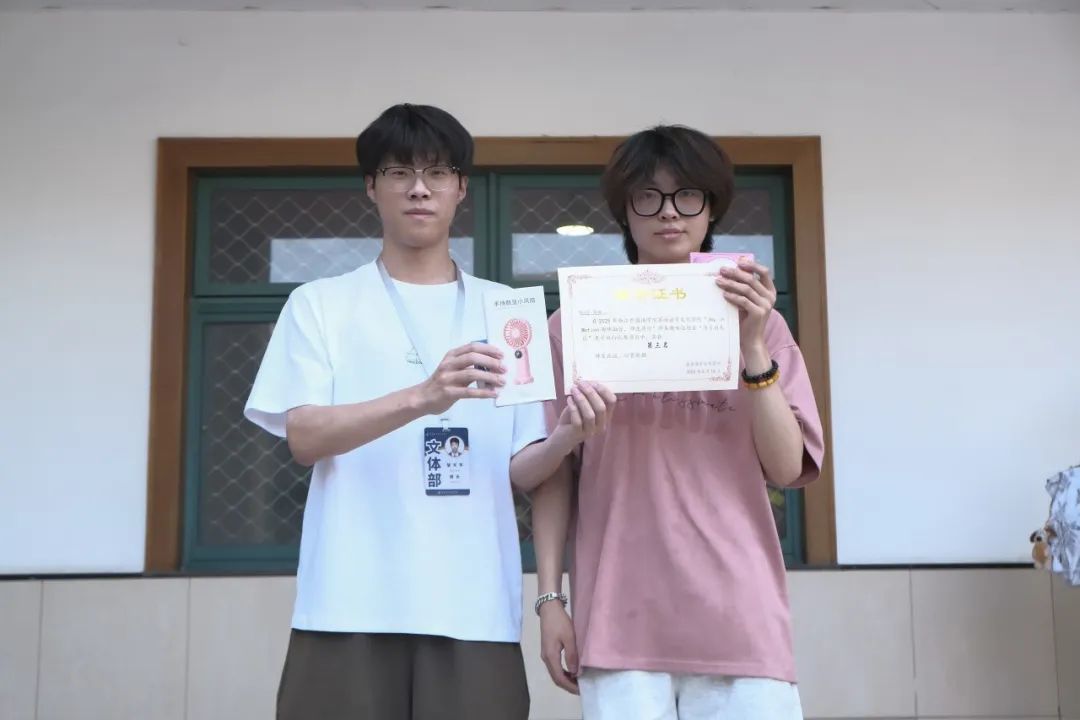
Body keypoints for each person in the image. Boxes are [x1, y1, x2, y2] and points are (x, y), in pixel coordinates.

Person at [244, 103, 612, 720]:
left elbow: (528, 469)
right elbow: (304, 436)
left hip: (473, 604)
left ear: (461, 188)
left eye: (438, 172)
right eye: (399, 172)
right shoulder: (320, 303)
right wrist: (424, 397)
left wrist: (565, 439)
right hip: (347, 602)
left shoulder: (509, 311)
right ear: (371, 186)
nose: (419, 188)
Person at [530, 125, 825, 719]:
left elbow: (785, 466)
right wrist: (550, 599)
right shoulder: (575, 323)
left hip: (739, 615)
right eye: (649, 196)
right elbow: (552, 475)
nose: (669, 212)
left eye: (687, 195)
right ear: (625, 211)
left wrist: (752, 347)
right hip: (619, 616)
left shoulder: (761, 322)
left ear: (711, 208)